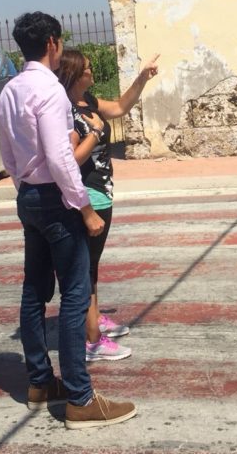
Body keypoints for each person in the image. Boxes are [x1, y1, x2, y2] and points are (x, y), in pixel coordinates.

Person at [0, 12, 136, 430]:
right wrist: (85, 208)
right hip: (57, 199)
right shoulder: (51, 92)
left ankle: (40, 383)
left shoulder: (10, 90)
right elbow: (60, 157)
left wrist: (25, 188)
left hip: (29, 196)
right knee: (75, 295)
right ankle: (80, 398)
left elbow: (6, 151)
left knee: (34, 292)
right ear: (52, 43)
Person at [55, 48, 159, 362]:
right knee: (84, 268)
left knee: (92, 265)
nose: (92, 70)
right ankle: (92, 341)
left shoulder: (89, 101)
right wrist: (97, 132)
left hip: (103, 192)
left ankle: (94, 318)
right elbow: (71, 159)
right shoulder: (67, 110)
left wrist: (142, 78)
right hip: (87, 195)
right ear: (75, 73)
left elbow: (121, 106)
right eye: (87, 67)